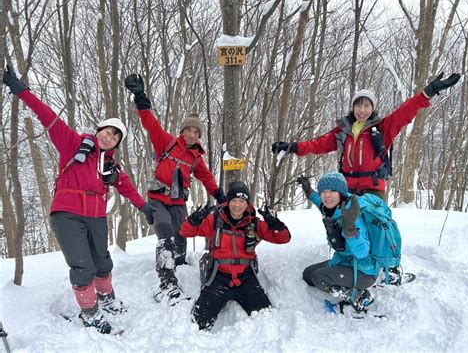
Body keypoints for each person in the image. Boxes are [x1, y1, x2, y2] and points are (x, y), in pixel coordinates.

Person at [2, 64, 155, 334]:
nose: (109, 137)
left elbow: (127, 187)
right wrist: (21, 90)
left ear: (117, 144)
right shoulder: (73, 144)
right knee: (83, 265)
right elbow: (47, 116)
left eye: (115, 136)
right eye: (107, 131)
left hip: (96, 215)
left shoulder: (111, 167)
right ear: (99, 131)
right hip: (68, 213)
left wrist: (144, 208)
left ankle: (106, 299)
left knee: (103, 262)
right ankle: (89, 313)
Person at [272, 72, 461, 199]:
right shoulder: (343, 130)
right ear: (353, 107)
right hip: (347, 187)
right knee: (347, 230)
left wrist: (427, 93)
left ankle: (380, 260)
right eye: (358, 105)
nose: (362, 110)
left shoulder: (382, 128)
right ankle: (345, 260)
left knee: (375, 230)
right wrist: (293, 147)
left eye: (366, 106)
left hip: (373, 188)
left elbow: (404, 112)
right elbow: (319, 144)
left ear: (372, 108)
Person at [124, 74, 226, 305]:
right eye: (189, 130)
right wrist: (140, 97)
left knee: (182, 233)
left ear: (199, 136)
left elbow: (206, 177)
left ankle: (178, 261)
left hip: (178, 201)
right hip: (158, 198)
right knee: (164, 229)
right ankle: (166, 279)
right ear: (183, 131)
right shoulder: (167, 142)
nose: (192, 135)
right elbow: (150, 124)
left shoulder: (196, 157)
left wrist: (219, 195)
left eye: (196, 132)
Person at [179, 181, 291, 330]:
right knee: (198, 324)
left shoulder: (254, 223)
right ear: (228, 201)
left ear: (247, 204)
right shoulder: (215, 221)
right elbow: (185, 232)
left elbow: (284, 238)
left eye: (242, 201)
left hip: (246, 278)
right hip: (218, 278)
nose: (237, 205)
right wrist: (195, 219)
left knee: (267, 319)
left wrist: (274, 224)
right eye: (234, 200)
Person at [298, 173, 378, 316]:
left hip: (362, 270)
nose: (327, 195)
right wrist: (308, 190)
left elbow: (362, 252)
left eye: (332, 191)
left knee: (318, 277)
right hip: (344, 261)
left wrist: (350, 230)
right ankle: (348, 284)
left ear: (341, 193)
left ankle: (358, 295)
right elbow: (319, 201)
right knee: (308, 274)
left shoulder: (351, 215)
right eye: (323, 191)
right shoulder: (331, 208)